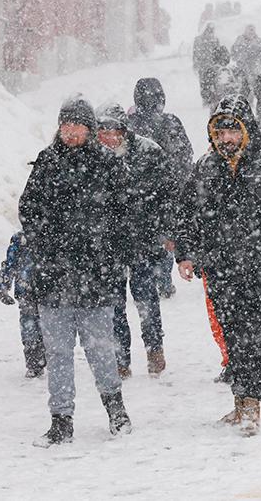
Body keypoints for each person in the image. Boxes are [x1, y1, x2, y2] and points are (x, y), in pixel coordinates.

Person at [175, 96, 261, 436]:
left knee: (255, 336)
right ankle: (240, 400)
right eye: (219, 133)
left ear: (246, 130)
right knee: (233, 337)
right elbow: (186, 214)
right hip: (220, 268)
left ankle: (252, 403)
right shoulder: (205, 167)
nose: (226, 139)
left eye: (232, 131)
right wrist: (186, 254)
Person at [18, 98, 132, 447]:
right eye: (65, 126)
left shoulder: (109, 167)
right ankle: (61, 420)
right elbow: (28, 209)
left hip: (96, 278)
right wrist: (46, 244)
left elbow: (124, 218)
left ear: (90, 129)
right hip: (53, 278)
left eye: (77, 126)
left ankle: (116, 410)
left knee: (100, 350)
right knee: (58, 353)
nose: (70, 132)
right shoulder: (46, 163)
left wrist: (106, 251)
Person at [96, 104, 173, 379]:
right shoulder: (92, 157)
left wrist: (165, 231)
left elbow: (167, 194)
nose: (107, 137)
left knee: (146, 299)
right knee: (114, 305)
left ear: (123, 130)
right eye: (102, 131)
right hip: (108, 245)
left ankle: (155, 349)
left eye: (112, 131)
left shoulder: (149, 151)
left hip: (143, 239)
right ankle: (120, 359)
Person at [128, 78, 193, 299]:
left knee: (142, 235)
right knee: (165, 234)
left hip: (138, 193)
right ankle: (163, 279)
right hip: (167, 190)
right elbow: (185, 155)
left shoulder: (130, 124)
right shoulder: (171, 122)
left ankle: (144, 278)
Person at [0, 232, 45, 378]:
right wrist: (2, 285)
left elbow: (9, 264)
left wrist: (3, 285)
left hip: (44, 291)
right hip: (34, 291)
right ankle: (35, 362)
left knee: (36, 327)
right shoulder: (21, 239)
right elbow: (10, 263)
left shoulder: (51, 233)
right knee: (33, 327)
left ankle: (38, 360)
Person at [231, 24, 261, 97]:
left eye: (253, 30)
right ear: (245, 31)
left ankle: (251, 103)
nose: (251, 32)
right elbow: (233, 54)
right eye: (249, 30)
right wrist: (241, 56)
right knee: (242, 89)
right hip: (242, 69)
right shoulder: (240, 40)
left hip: (255, 69)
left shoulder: (259, 41)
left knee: (255, 89)